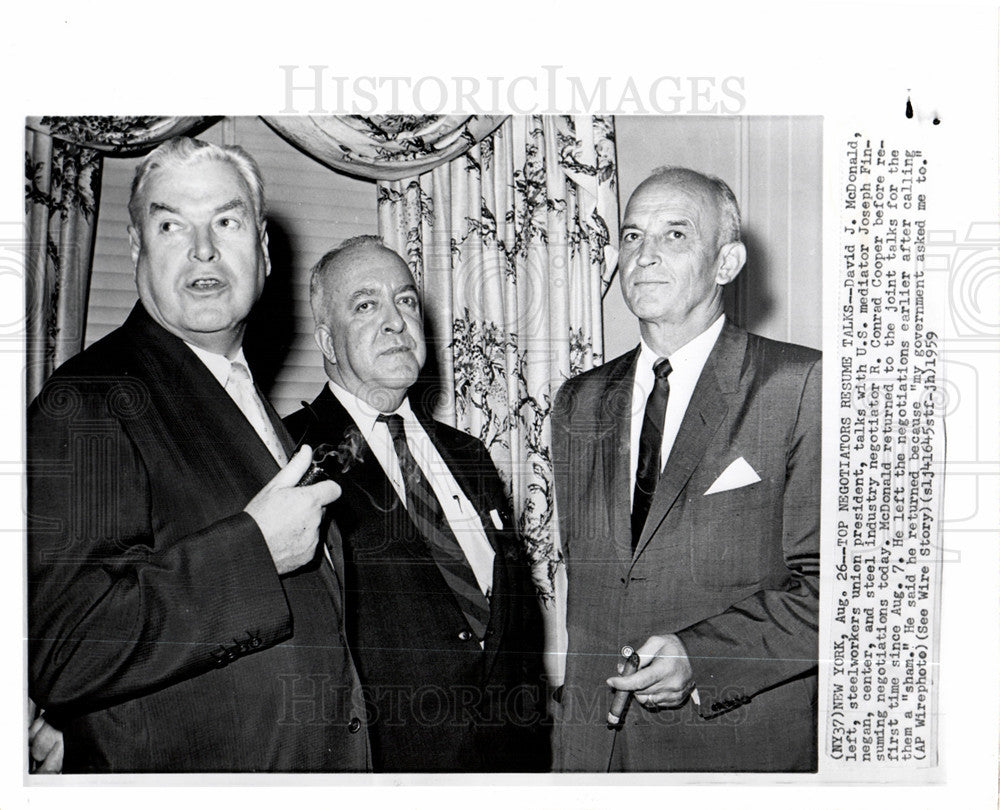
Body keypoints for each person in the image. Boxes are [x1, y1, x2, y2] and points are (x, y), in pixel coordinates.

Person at [27, 137, 369, 773]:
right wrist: (253, 552)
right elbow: (60, 647)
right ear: (137, 250)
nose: (204, 249)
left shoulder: (246, 398)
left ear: (263, 250)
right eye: (170, 225)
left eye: (227, 221)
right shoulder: (89, 401)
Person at [550, 167, 820, 772]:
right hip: (593, 753)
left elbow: (838, 593)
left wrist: (701, 656)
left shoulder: (799, 385)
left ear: (726, 263)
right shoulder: (577, 402)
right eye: (631, 235)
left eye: (675, 235)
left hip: (730, 751)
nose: (643, 256)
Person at [284, 236, 548, 772]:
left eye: (405, 301)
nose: (394, 322)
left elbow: (514, 627)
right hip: (390, 771)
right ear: (328, 343)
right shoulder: (290, 458)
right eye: (365, 305)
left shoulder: (469, 455)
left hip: (511, 767)